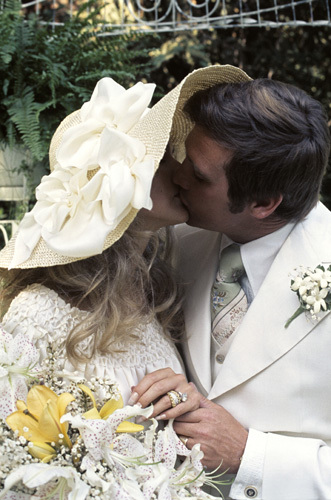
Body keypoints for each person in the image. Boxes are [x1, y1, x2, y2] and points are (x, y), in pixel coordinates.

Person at [0, 65, 251, 412]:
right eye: (160, 161)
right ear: (117, 189)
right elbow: (12, 441)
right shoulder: (37, 314)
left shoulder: (157, 291)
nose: (180, 172)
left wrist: (185, 399)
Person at [131, 74, 331, 499]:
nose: (177, 175)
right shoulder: (175, 243)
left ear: (262, 203)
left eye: (200, 177)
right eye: (184, 154)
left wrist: (250, 455)